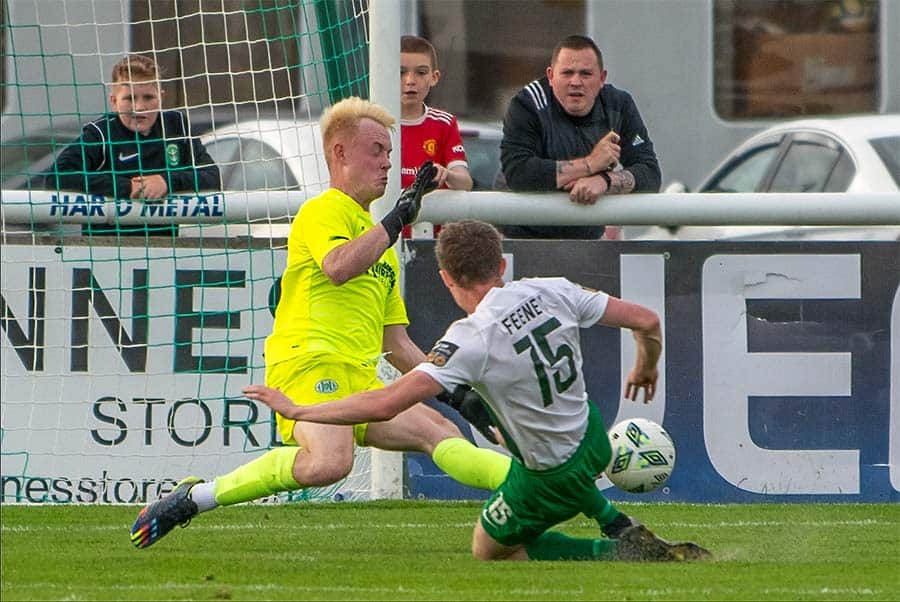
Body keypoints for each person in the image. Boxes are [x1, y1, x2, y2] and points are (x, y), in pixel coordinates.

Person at [130, 98, 511, 549]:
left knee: (441, 432)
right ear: (340, 153)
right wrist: (396, 220)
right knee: (331, 463)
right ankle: (195, 497)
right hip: (310, 366)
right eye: (376, 151)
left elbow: (397, 344)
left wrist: (454, 393)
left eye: (390, 153)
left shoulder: (380, 242)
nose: (388, 163)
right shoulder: (323, 211)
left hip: (359, 377)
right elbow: (337, 266)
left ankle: (536, 489)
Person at [244, 219, 712, 562]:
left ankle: (610, 554)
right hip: (594, 437)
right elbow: (647, 321)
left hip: (548, 476)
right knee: (528, 444)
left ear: (446, 279)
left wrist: (302, 408)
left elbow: (386, 402)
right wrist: (646, 366)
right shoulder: (551, 289)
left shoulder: (470, 338)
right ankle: (616, 523)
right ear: (502, 264)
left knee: (490, 550)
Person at [498, 35, 661, 239]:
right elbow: (518, 173)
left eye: (586, 74)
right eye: (567, 73)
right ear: (550, 76)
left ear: (602, 78)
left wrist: (605, 181)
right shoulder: (527, 103)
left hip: (586, 238)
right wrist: (590, 164)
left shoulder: (619, 104)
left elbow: (651, 174)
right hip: (522, 237)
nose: (576, 82)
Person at [46, 54, 220, 233]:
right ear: (114, 101)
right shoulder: (101, 134)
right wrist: (127, 187)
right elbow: (57, 177)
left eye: (148, 97)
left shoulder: (176, 126)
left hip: (166, 250)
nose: (139, 107)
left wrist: (166, 182)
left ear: (161, 97)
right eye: (130, 99)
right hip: (106, 249)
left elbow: (212, 177)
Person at [399, 35, 472, 238]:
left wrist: (446, 174)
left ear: (434, 77)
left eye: (421, 72)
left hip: (429, 241)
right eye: (401, 72)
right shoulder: (372, 122)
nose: (410, 81)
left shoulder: (444, 123)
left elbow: (465, 182)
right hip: (378, 239)